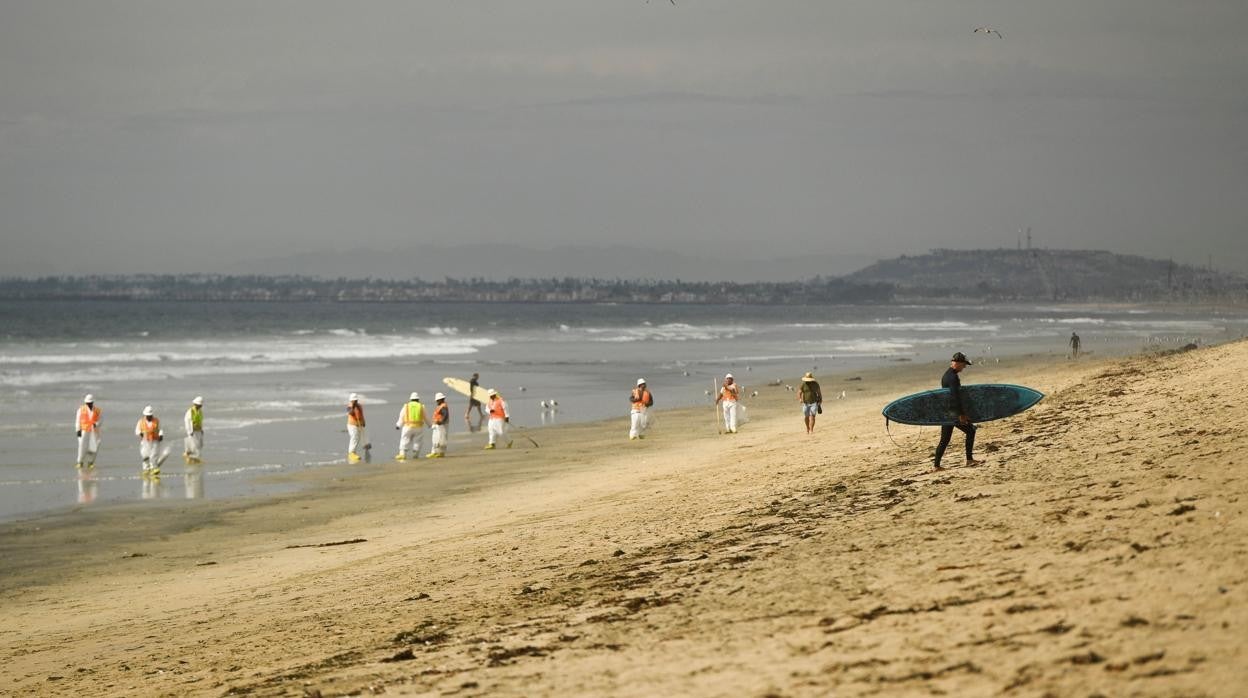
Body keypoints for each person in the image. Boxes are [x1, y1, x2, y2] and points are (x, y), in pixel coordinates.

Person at [934, 352, 985, 471]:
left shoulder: (947, 374)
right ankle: (969, 460)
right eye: (963, 365)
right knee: (971, 431)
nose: (964, 367)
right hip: (953, 413)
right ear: (957, 363)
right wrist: (961, 414)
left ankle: (936, 466)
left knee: (945, 439)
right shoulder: (952, 377)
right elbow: (954, 396)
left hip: (948, 412)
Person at [394, 392, 427, 461]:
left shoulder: (406, 406)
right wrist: (430, 425)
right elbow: (425, 417)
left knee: (405, 439)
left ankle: (403, 454)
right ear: (418, 399)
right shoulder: (421, 406)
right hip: (419, 427)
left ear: (411, 399)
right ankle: (416, 454)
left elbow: (401, 417)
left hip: (408, 427)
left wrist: (398, 425)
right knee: (418, 441)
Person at [134, 405, 165, 476]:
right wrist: (140, 434)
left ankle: (154, 469)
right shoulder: (141, 422)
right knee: (145, 456)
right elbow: (137, 431)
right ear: (145, 415)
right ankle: (146, 469)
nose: (149, 417)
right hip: (145, 442)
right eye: (148, 415)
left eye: (150, 415)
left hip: (155, 441)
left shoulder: (156, 421)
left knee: (154, 455)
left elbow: (160, 429)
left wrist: (161, 435)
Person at [75, 394, 102, 469]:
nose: (89, 404)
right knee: (82, 447)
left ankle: (91, 462)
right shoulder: (80, 410)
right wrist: (78, 430)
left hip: (94, 432)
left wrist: (96, 424)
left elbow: (101, 420)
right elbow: (77, 421)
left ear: (93, 402)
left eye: (90, 403)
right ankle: (79, 462)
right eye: (87, 403)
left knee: (93, 447)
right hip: (84, 431)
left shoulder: (97, 410)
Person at [427, 392, 450, 458]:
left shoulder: (443, 407)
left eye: (437, 400)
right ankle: (441, 452)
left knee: (437, 439)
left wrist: (441, 421)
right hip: (441, 425)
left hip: (440, 425)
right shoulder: (442, 406)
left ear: (440, 399)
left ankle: (435, 452)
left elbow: (445, 414)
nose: (436, 401)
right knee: (441, 439)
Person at [347, 393, 367, 463]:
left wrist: (363, 421)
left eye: (355, 400)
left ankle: (354, 452)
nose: (354, 402)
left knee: (357, 438)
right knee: (354, 437)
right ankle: (351, 453)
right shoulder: (349, 406)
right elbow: (351, 413)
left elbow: (361, 415)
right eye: (353, 400)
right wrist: (353, 406)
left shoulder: (359, 406)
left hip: (358, 425)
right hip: (352, 425)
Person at [183, 396, 204, 464]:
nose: (200, 406)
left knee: (199, 445)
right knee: (193, 445)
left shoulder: (200, 411)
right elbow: (187, 421)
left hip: (198, 430)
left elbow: (200, 421)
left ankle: (191, 457)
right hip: (192, 430)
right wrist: (189, 431)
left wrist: (201, 429)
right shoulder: (190, 411)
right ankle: (191, 457)